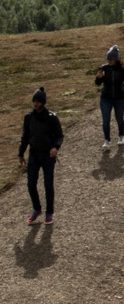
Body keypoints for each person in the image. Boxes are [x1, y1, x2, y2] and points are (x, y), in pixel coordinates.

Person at [19, 86, 61, 225]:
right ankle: (37, 209)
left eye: (38, 101)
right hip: (33, 155)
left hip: (48, 156)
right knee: (31, 184)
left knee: (48, 185)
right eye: (34, 101)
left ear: (43, 102)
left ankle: (49, 213)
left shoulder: (52, 118)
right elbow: (25, 136)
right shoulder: (28, 117)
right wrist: (21, 153)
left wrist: (55, 147)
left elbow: (59, 136)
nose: (35, 104)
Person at [95, 43, 124, 151]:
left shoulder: (122, 69)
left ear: (115, 59)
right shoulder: (104, 69)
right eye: (108, 59)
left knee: (119, 118)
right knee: (105, 120)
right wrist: (98, 77)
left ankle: (121, 136)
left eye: (111, 59)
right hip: (106, 98)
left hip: (120, 98)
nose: (109, 61)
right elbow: (97, 83)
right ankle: (107, 140)